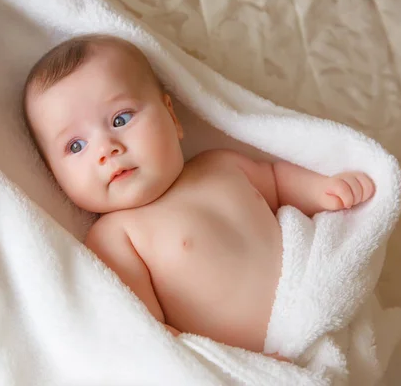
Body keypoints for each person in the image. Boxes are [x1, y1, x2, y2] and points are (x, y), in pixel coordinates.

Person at [22, 34, 375, 359]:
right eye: (76, 145)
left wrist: (321, 190)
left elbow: (277, 182)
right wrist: (238, 367)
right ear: (55, 174)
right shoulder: (116, 236)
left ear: (172, 116)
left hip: (319, 313)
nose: (106, 149)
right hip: (251, 365)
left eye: (120, 118)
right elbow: (149, 334)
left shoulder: (219, 166)